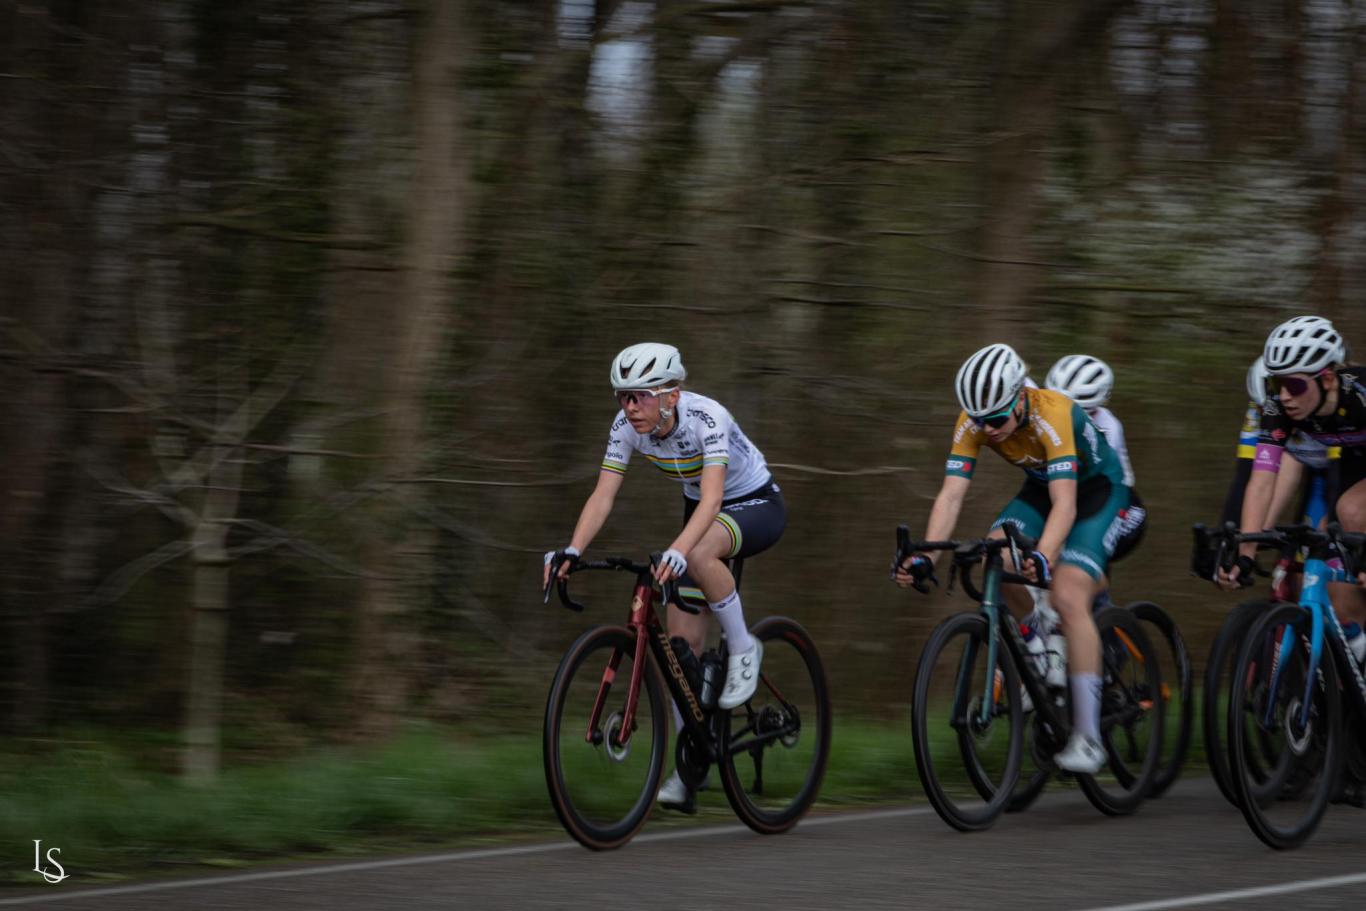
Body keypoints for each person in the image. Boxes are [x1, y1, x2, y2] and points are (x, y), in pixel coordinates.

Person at [543, 342, 787, 813]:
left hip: (753, 502)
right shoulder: (626, 428)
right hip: (700, 510)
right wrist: (574, 549)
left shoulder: (707, 417)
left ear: (671, 395)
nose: (630, 407)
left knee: (694, 555)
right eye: (623, 397)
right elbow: (602, 495)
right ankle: (690, 764)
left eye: (641, 396)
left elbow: (714, 500)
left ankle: (742, 649)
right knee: (680, 649)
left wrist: (679, 549)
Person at [896, 343, 1145, 773]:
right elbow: (952, 494)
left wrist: (1045, 557)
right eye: (978, 420)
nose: (987, 429)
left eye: (995, 419)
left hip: (1097, 493)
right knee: (994, 554)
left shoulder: (1053, 413)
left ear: (1021, 397)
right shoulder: (976, 417)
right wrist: (928, 556)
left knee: (1067, 595)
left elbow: (1065, 505)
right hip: (1041, 487)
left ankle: (1087, 738)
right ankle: (1036, 645)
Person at [1218, 316, 1366, 628]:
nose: (1284, 395)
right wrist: (1246, 551)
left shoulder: (1360, 393)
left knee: (1351, 510)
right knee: (1331, 544)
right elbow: (1261, 482)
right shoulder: (1277, 408)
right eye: (1277, 383)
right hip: (1357, 460)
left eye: (1294, 385)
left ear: (1326, 379)